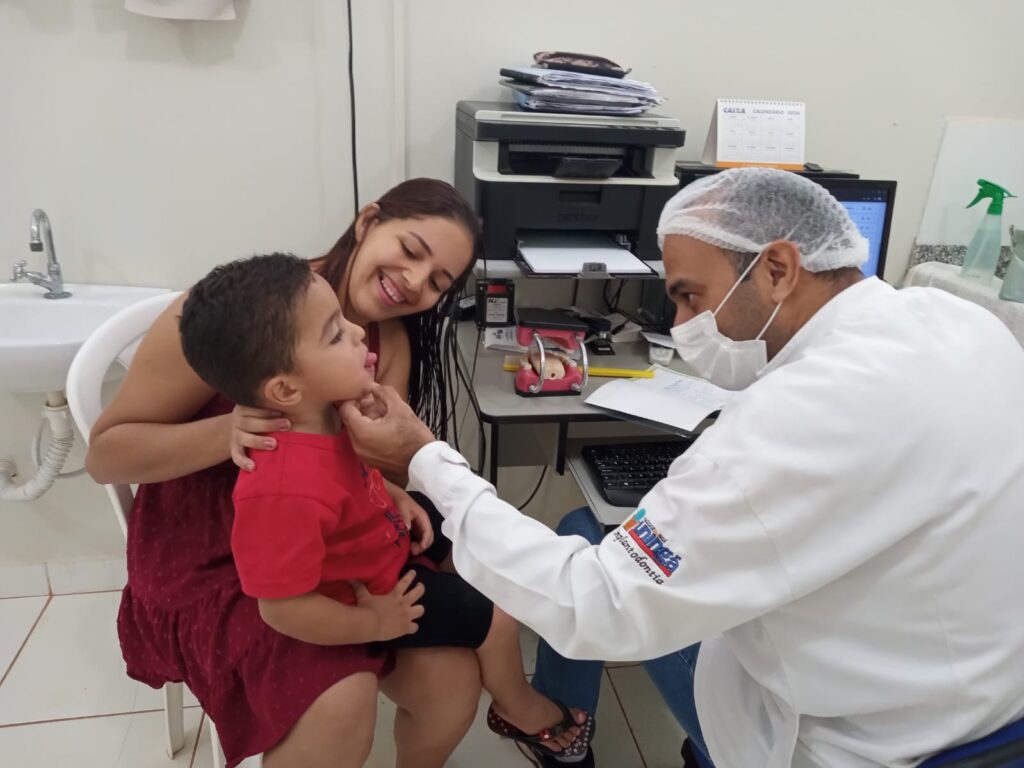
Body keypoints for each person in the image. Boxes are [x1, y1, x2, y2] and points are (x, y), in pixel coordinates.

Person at [338, 168, 1024, 768]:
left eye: (691, 296)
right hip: (987, 695)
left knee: (588, 567)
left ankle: (556, 730)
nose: (681, 320)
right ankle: (558, 730)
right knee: (584, 526)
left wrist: (425, 460)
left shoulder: (796, 419)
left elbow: (596, 604)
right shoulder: (957, 320)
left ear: (778, 269)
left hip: (872, 743)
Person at [86, 179, 489, 768]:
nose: (413, 281)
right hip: (209, 556)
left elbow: (361, 464)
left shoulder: (390, 343)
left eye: (437, 283)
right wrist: (230, 431)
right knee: (340, 698)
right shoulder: (245, 313)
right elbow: (105, 456)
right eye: (410, 249)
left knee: (451, 682)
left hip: (327, 546)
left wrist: (390, 482)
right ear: (368, 221)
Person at [176, 253, 593, 767]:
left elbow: (350, 479)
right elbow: (280, 608)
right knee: (497, 615)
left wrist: (393, 494)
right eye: (335, 334)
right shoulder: (280, 490)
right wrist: (373, 623)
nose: (358, 333)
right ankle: (519, 708)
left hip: (387, 541)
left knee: (470, 534)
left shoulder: (329, 413)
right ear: (285, 389)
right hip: (374, 596)